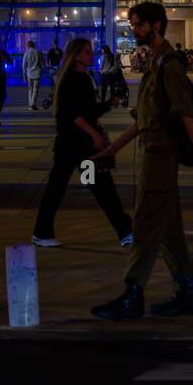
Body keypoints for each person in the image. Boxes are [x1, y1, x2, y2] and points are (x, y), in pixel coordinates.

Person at [90, 1, 193, 320]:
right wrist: (111, 149)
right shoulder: (154, 64)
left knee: (145, 223)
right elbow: (142, 120)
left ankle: (133, 293)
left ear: (155, 26)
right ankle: (187, 292)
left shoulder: (168, 65)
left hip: (160, 156)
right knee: (169, 228)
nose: (134, 30)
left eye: (138, 25)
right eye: (133, 25)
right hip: (151, 152)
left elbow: (185, 113)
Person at [32, 38, 133, 249]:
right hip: (74, 146)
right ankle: (125, 231)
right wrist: (94, 135)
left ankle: (124, 230)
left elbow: (87, 111)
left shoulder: (82, 77)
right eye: (87, 52)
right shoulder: (72, 79)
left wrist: (109, 103)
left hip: (75, 146)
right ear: (76, 55)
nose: (91, 54)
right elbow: (73, 114)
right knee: (92, 187)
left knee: (95, 187)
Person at [21, 40, 44, 110]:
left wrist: (24, 74)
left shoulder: (26, 53)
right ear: (33, 45)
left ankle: (30, 104)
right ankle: (33, 104)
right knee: (35, 89)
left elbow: (24, 65)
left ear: (28, 46)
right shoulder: (38, 52)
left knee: (30, 89)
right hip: (37, 72)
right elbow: (42, 63)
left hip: (29, 73)